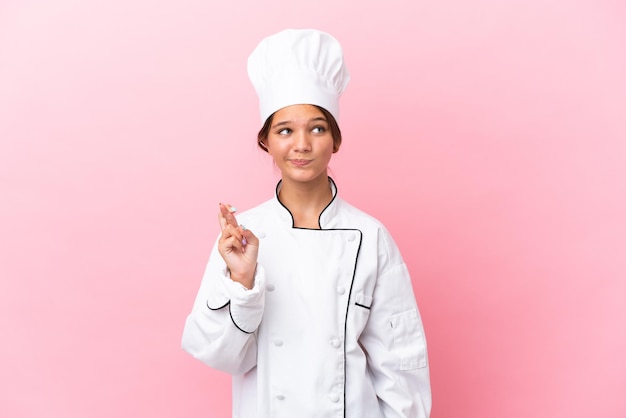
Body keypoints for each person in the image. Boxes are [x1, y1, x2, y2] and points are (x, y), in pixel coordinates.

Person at [181, 28, 432, 418]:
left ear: (336, 139)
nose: (301, 145)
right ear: (266, 141)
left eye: (317, 128)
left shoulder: (370, 236)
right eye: (285, 131)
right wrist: (243, 283)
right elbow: (220, 355)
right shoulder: (242, 237)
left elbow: (402, 365)